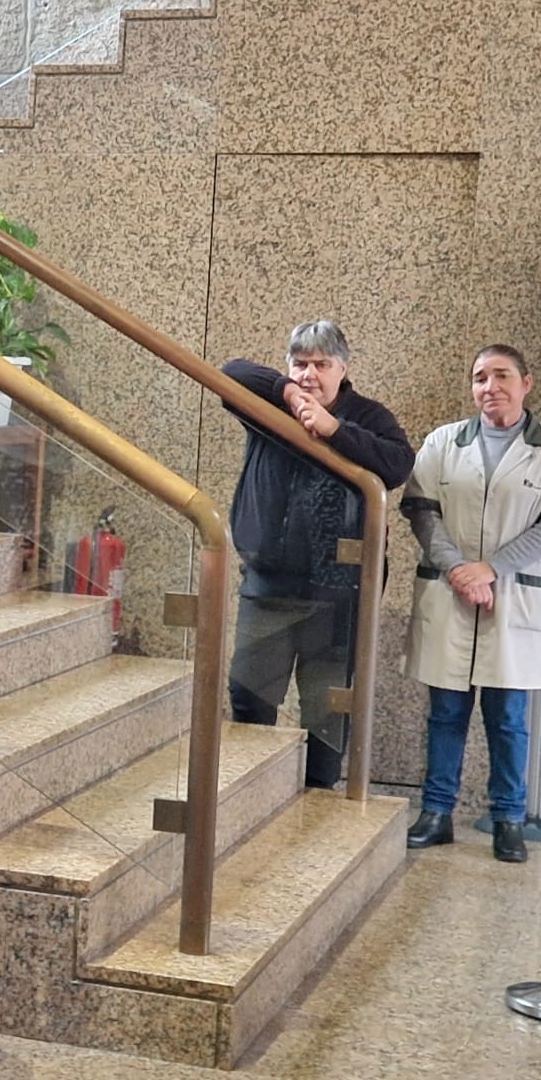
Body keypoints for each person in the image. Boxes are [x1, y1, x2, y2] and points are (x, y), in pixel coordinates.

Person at [403, 344, 541, 862]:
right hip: (450, 593)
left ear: (526, 384)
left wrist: (492, 568)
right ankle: (436, 813)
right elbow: (422, 512)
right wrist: (460, 571)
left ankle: (508, 820)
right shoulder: (442, 442)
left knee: (508, 719)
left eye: (501, 375)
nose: (490, 387)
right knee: (445, 713)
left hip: (513, 598)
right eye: (480, 377)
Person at [221, 320, 414, 790]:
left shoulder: (368, 416)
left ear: (342, 369)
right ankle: (250, 797)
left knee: (327, 712)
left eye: (321, 365)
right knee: (249, 697)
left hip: (339, 597)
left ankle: (318, 804)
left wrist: (334, 430)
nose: (310, 374)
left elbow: (397, 465)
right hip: (268, 585)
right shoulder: (270, 404)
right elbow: (230, 373)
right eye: (300, 364)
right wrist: (287, 394)